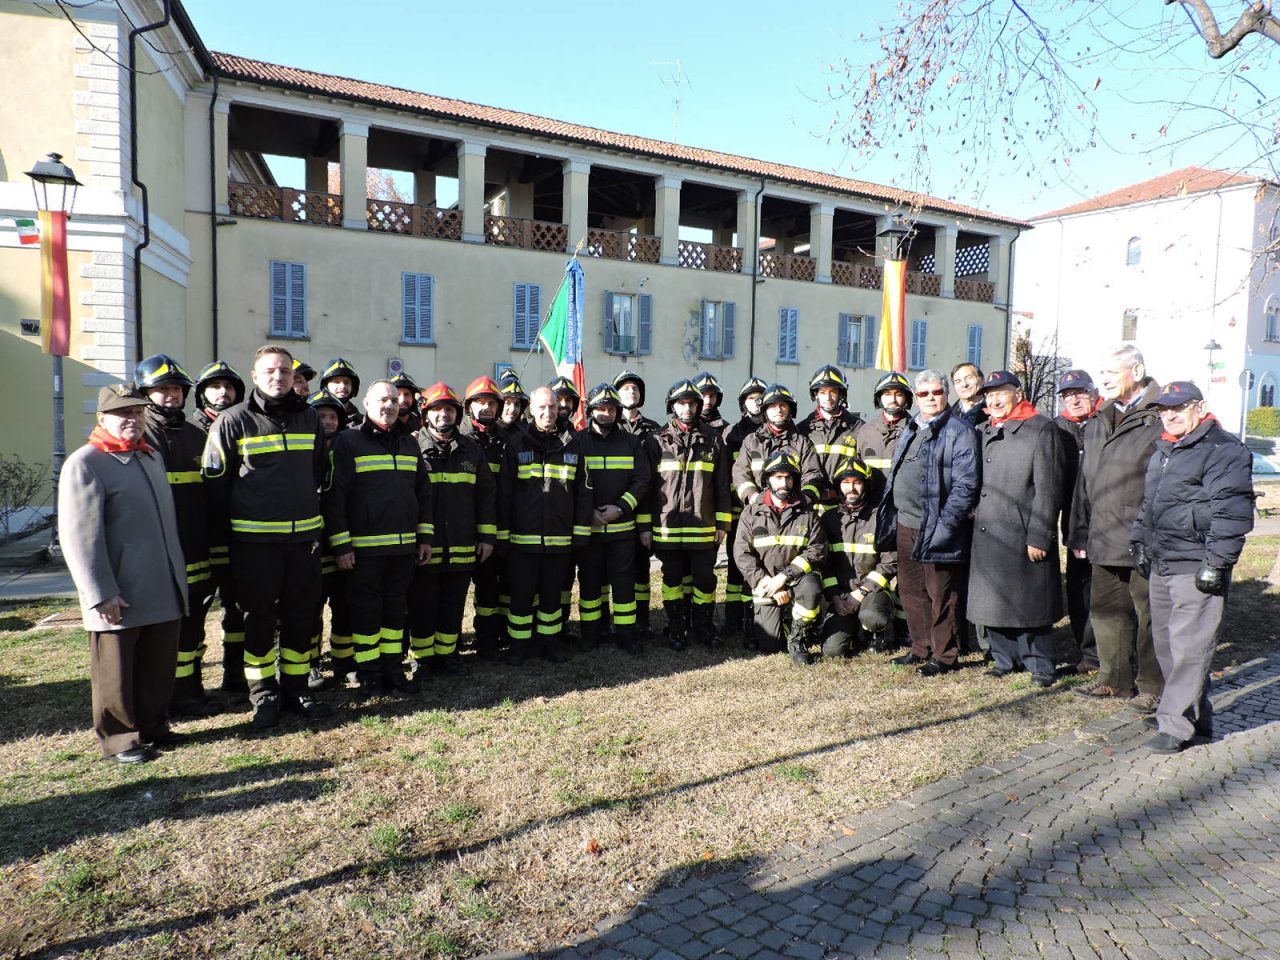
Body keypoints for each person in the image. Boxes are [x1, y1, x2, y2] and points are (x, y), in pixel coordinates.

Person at [202, 344, 329, 728]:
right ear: (255, 377)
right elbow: (214, 487)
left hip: (303, 542)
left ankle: (295, 687)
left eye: (286, 372)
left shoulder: (310, 419)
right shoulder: (232, 420)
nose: (279, 377)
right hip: (254, 545)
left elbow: (320, 473)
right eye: (270, 371)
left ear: (295, 378)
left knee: (300, 617)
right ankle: (263, 693)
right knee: (257, 619)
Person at [59, 384, 186, 764]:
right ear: (102, 419)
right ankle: (120, 739)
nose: (132, 419)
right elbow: (79, 537)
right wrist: (99, 593)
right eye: (122, 414)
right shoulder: (86, 462)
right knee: (115, 670)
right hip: (119, 591)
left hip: (161, 586)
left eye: (137, 413)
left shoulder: (149, 457)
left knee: (157, 663)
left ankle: (153, 725)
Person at [1131, 382, 1254, 753]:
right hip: (1163, 560)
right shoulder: (1165, 449)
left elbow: (1232, 511)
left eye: (1178, 408)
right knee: (1167, 645)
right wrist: (1140, 539)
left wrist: (1217, 562)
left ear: (1199, 407)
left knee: (1190, 648)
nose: (1169, 415)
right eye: (1164, 410)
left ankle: (1176, 724)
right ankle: (1195, 717)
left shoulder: (1222, 450)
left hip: (1196, 563)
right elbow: (1149, 504)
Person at [1069, 344, 1165, 709]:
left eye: (1111, 372)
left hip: (1143, 535)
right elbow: (1085, 481)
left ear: (1136, 371)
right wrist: (1079, 530)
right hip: (1103, 534)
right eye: (1103, 373)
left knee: (1149, 615)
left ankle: (1153, 685)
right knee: (1107, 611)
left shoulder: (1159, 415)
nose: (1104, 379)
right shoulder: (1099, 417)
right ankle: (1114, 680)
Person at [324, 380, 432, 696]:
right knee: (367, 613)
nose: (389, 405)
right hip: (364, 550)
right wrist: (341, 544)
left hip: (403, 549)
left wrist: (424, 537)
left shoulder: (411, 444)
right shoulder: (348, 442)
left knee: (395, 612)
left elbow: (423, 494)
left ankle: (392, 669)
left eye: (394, 400)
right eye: (383, 399)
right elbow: (335, 497)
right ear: (368, 404)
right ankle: (369, 672)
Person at [876, 369, 980, 676]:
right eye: (923, 394)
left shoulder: (959, 431)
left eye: (936, 392)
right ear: (916, 398)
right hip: (906, 522)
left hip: (937, 525)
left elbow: (965, 486)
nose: (930, 398)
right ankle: (921, 647)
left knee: (941, 594)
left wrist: (946, 526)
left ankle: (945, 655)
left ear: (946, 394)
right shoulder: (912, 425)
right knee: (911, 589)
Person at [966, 371, 1065, 688]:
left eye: (1001, 393)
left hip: (1022, 532)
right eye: (989, 395)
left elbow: (1049, 489)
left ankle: (1040, 664)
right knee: (993, 599)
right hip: (988, 531)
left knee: (1030, 604)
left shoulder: (1041, 429)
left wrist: (1039, 535)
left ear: (1018, 394)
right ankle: (1004, 659)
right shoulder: (984, 430)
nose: (993, 400)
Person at [136, 354, 214, 717]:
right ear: (146, 393)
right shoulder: (140, 434)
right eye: (161, 389)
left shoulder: (197, 434)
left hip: (196, 544)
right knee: (161, 627)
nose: (170, 396)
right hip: (156, 551)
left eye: (175, 389)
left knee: (194, 622)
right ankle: (162, 695)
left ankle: (190, 690)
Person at [498, 386, 593, 664]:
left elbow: (584, 491)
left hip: (560, 540)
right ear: (532, 410)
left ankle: (550, 644)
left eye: (552, 407)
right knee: (521, 598)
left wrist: (580, 533)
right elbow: (504, 494)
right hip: (523, 541)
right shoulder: (516, 444)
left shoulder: (572, 444)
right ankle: (519, 646)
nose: (548, 412)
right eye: (542, 407)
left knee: (552, 598)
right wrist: (503, 536)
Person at [409, 383, 496, 676]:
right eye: (437, 409)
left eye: (449, 409)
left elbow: (486, 495)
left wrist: (486, 537)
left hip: (462, 542)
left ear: (458, 414)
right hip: (426, 546)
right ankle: (422, 658)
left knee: (452, 604)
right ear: (426, 415)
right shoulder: (412, 447)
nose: (443, 415)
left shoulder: (471, 449)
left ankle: (448, 656)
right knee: (423, 604)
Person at [643, 379, 732, 650]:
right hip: (667, 528)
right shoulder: (656, 440)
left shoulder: (713, 440)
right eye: (682, 403)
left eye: (692, 402)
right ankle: (677, 628)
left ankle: (703, 627)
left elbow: (722, 485)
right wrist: (645, 526)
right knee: (672, 580)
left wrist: (722, 523)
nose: (688, 407)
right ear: (673, 406)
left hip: (703, 527)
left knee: (705, 580)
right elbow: (646, 487)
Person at [733, 452, 828, 665]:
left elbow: (816, 550)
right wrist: (766, 582)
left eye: (788, 477)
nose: (783, 483)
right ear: (767, 480)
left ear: (794, 480)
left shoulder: (806, 512)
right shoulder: (751, 513)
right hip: (766, 582)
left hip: (797, 579)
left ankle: (798, 639)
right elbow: (742, 554)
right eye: (777, 477)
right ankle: (782, 618)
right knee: (770, 646)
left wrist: (783, 578)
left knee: (811, 588)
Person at [576, 383, 650, 653]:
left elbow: (642, 480)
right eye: (601, 409)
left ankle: (626, 635)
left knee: (623, 584)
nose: (607, 414)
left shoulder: (631, 442)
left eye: (611, 409)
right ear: (590, 411)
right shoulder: (578, 442)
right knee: (590, 583)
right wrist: (589, 514)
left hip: (622, 530)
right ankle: (591, 635)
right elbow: (572, 484)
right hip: (590, 531)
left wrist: (620, 508)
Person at [189, 360, 247, 692]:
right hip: (198, 540)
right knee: (193, 615)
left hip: (236, 537)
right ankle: (189, 687)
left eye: (229, 387)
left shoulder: (243, 427)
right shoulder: (188, 433)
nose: (223, 392)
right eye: (215, 386)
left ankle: (234, 676)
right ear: (201, 394)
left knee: (238, 610)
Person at [819, 456, 897, 658]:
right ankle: (851, 628)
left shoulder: (880, 517)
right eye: (845, 482)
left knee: (873, 617)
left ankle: (875, 633)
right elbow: (824, 564)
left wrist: (862, 592)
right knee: (832, 651)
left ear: (866, 486)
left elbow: (890, 561)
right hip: (842, 594)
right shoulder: (829, 519)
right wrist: (835, 597)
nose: (851, 488)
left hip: (872, 590)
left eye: (857, 482)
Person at [1053, 369, 1100, 673]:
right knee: (1079, 587)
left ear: (1092, 393)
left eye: (1080, 393)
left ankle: (1108, 651)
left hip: (1106, 518)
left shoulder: (1105, 423)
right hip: (1073, 521)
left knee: (1107, 589)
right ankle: (1088, 653)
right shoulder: (1058, 428)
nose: (1074, 399)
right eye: (1068, 395)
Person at [459, 375, 509, 660]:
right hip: (466, 528)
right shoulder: (462, 440)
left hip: (500, 528)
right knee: (456, 592)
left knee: (493, 589)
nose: (486, 408)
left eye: (491, 402)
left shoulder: (507, 440)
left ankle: (491, 639)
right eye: (480, 402)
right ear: (469, 408)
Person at [308, 389, 353, 687]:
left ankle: (344, 660)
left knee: (345, 604)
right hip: (311, 542)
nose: (327, 422)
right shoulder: (302, 450)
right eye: (320, 416)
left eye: (332, 416)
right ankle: (310, 663)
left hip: (344, 539)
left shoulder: (349, 448)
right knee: (310, 607)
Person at [613, 369, 662, 637]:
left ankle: (642, 620)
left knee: (642, 570)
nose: (631, 391)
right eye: (625, 388)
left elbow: (654, 477)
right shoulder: (608, 426)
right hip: (615, 512)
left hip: (644, 509)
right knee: (616, 571)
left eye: (635, 388)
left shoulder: (654, 430)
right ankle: (616, 621)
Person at [722, 377, 768, 642]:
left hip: (770, 515)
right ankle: (732, 619)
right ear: (743, 404)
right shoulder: (733, 434)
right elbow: (728, 475)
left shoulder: (780, 430)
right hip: (739, 513)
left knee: (762, 565)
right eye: (752, 397)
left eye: (761, 396)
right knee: (735, 568)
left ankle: (755, 619)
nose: (757, 401)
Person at [734, 384, 823, 512]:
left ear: (790, 410)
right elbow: (740, 472)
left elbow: (812, 474)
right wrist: (752, 496)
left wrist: (804, 499)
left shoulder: (802, 443)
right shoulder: (751, 442)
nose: (778, 410)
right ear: (765, 411)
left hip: (794, 512)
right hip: (759, 512)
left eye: (783, 405)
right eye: (773, 406)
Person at [797, 364, 864, 514]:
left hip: (844, 508)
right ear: (815, 395)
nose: (827, 397)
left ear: (841, 394)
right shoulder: (802, 430)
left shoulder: (858, 428)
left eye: (832, 391)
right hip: (810, 508)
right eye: (822, 392)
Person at [854, 371, 912, 471]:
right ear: (879, 399)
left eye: (898, 395)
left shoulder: (916, 430)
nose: (893, 399)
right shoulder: (865, 431)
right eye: (887, 394)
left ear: (906, 399)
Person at [320, 357, 362, 427]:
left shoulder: (362, 422)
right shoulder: (314, 417)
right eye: (336, 382)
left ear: (353, 387)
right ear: (326, 386)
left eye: (346, 382)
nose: (342, 386)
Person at [950, 362, 988, 428]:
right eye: (958, 381)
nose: (964, 384)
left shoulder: (995, 412)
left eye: (969, 378)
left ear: (982, 380)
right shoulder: (947, 417)